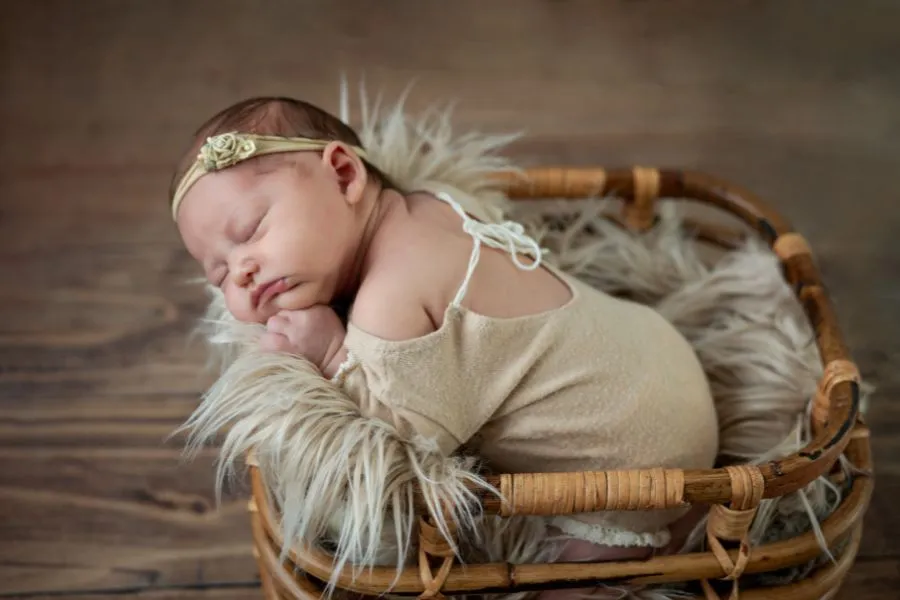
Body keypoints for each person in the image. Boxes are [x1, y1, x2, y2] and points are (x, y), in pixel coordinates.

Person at [169, 96, 719, 595]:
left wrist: (333, 353)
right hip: (649, 348)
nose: (239, 272)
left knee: (575, 578)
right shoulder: (433, 203)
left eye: (251, 229)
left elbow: (401, 442)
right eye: (216, 272)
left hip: (642, 454)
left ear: (343, 174)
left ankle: (643, 544)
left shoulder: (393, 298)